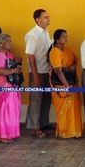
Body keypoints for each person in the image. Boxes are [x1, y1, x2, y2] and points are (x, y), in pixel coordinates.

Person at [49, 29, 83, 139]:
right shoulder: (54, 51)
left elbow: (75, 60)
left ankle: (75, 131)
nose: (66, 38)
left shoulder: (68, 49)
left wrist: (72, 66)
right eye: (63, 36)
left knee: (74, 107)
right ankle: (65, 132)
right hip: (61, 84)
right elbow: (58, 71)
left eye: (66, 36)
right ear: (57, 39)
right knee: (64, 109)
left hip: (72, 82)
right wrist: (67, 86)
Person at [25, 9, 52, 138]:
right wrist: (35, 75)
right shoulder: (33, 34)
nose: (48, 18)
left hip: (46, 71)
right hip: (37, 72)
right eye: (45, 17)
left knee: (46, 98)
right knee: (36, 99)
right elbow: (30, 56)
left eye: (48, 16)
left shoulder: (46, 33)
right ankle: (35, 128)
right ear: (37, 20)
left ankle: (43, 123)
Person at [0, 34, 22, 143]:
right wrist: (13, 71)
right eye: (8, 41)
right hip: (3, 86)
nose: (10, 42)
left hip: (11, 86)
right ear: (1, 43)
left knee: (12, 110)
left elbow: (11, 66)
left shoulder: (9, 55)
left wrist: (17, 63)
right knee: (4, 110)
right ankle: (3, 135)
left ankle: (10, 133)